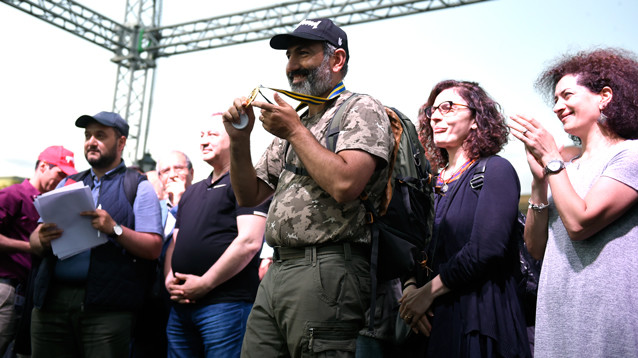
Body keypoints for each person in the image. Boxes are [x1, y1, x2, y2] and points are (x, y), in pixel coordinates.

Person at [223, 18, 394, 357]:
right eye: (289, 55)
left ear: (337, 60)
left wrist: (295, 132)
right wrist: (239, 140)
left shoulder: (360, 108)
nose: (291, 66)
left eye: (303, 53)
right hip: (278, 270)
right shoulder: (300, 118)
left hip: (327, 272)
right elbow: (248, 195)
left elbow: (346, 184)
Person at [509, 48, 638, 357]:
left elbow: (580, 223)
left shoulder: (630, 154)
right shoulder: (563, 172)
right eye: (554, 100)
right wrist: (540, 182)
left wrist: (552, 158)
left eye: (566, 95)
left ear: (604, 96)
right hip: (557, 321)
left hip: (607, 325)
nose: (557, 107)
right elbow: (537, 249)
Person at [399, 80, 531, 357]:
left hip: (480, 317)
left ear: (475, 120)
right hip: (430, 320)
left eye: (447, 108)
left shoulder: (496, 170)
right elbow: (411, 247)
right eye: (432, 110)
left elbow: (486, 249)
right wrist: (412, 292)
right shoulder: (430, 183)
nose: (435, 116)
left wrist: (427, 293)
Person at [28, 111, 163, 358]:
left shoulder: (138, 186)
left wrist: (115, 229)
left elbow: (154, 247)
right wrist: (40, 238)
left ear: (121, 142)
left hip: (107, 311)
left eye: (100, 135)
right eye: (88, 135)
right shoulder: (67, 182)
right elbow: (34, 241)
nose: (91, 141)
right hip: (51, 303)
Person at [163, 114, 269, 357]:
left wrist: (205, 284)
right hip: (181, 306)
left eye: (211, 134)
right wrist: (169, 277)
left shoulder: (248, 184)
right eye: (201, 135)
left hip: (225, 305)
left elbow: (249, 242)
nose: (203, 141)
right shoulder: (192, 192)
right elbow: (175, 241)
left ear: (233, 138)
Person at [0, 145, 77, 357]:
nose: (61, 180)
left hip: (29, 293)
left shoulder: (52, 202)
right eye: (59, 173)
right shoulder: (13, 194)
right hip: (6, 288)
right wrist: (31, 247)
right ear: (43, 166)